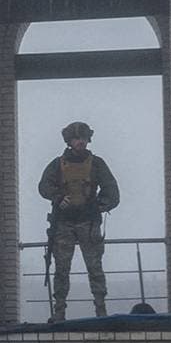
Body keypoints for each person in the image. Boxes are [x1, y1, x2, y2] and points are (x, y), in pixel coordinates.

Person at [37, 121, 120, 323]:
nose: (80, 142)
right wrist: (57, 198)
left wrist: (98, 205)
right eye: (76, 138)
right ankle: (59, 312)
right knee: (61, 269)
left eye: (83, 138)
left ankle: (101, 310)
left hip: (88, 222)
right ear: (69, 141)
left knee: (95, 268)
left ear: (88, 139)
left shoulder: (97, 163)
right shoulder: (58, 164)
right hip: (64, 223)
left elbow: (112, 191)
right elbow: (43, 186)